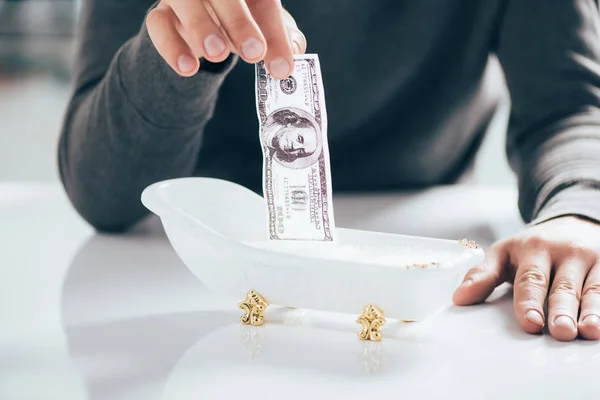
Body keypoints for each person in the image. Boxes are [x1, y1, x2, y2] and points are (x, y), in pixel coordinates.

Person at [58, 0, 600, 342]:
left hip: (425, 279)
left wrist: (579, 205)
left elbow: (568, 104)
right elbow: (101, 189)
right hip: (187, 278)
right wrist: (177, 53)